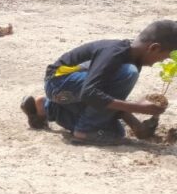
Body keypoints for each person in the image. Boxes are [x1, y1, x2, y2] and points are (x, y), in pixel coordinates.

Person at [20, 20, 177, 143]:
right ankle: (85, 131)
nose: (162, 61)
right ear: (154, 48)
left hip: (73, 90)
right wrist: (136, 107)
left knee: (116, 132)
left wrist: (136, 126)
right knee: (128, 73)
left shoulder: (134, 59)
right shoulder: (116, 55)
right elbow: (90, 93)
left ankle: (47, 108)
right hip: (58, 83)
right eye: (166, 57)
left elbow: (108, 97)